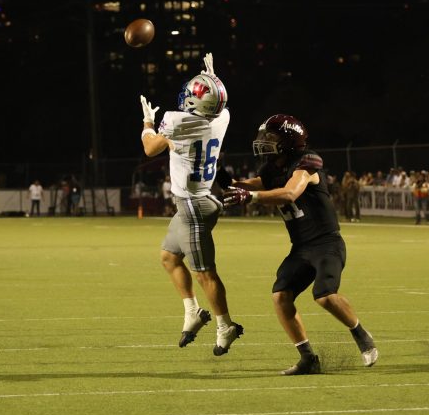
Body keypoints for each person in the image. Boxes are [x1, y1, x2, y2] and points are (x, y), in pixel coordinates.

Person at [223, 114, 378, 375]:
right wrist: (218, 177)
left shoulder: (307, 162)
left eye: (270, 137)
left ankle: (361, 334)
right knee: (281, 295)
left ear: (289, 140)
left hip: (327, 243)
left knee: (325, 296)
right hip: (301, 248)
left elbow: (290, 192)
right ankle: (308, 358)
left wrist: (250, 197)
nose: (263, 142)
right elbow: (249, 184)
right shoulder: (270, 170)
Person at [139, 52, 243, 356]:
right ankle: (193, 311)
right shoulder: (222, 117)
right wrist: (213, 77)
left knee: (205, 273)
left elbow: (149, 148)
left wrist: (147, 120)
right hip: (202, 199)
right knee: (169, 258)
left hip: (193, 207)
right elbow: (217, 104)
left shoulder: (177, 122)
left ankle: (226, 326)